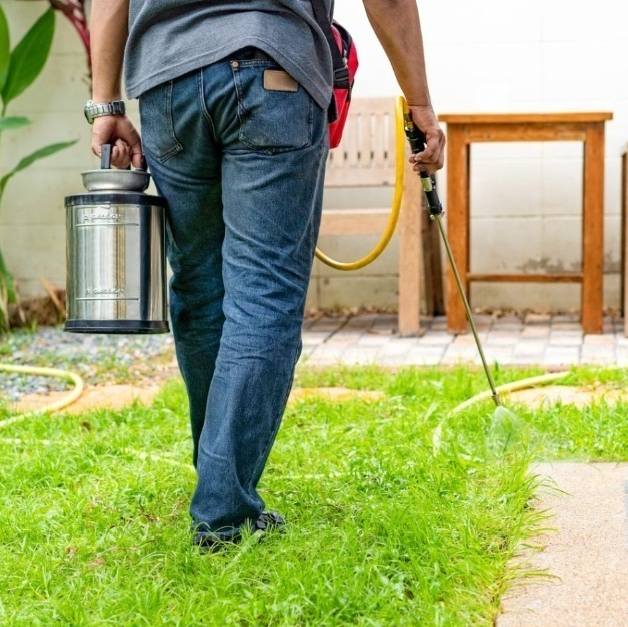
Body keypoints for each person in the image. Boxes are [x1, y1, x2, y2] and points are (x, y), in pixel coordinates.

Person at [87, 0, 445, 549]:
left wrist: (106, 100)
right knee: (264, 295)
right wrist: (419, 101)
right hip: (272, 70)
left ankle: (219, 484)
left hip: (169, 85)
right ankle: (223, 510)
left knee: (200, 285)